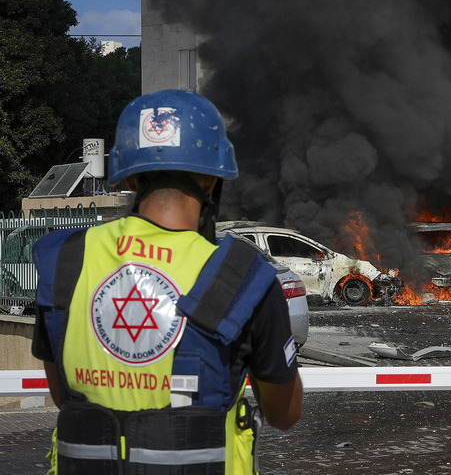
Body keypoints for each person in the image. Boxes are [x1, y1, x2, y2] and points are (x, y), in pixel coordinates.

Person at [31, 89, 302, 475]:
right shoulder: (243, 277)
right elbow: (284, 414)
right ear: (211, 180)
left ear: (129, 178)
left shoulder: (66, 260)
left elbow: (64, 398)